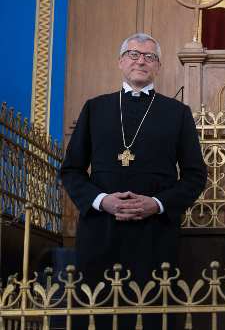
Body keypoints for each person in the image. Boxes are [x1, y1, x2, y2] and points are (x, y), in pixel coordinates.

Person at [61, 33, 207, 329]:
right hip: (100, 231)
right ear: (120, 62)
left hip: (154, 235)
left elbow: (195, 175)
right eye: (133, 54)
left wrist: (157, 203)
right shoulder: (95, 108)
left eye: (149, 56)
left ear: (159, 66)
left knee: (152, 316)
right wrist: (103, 201)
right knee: (97, 316)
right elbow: (71, 170)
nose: (141, 60)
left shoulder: (177, 113)